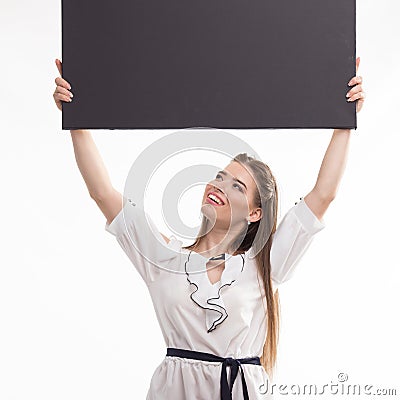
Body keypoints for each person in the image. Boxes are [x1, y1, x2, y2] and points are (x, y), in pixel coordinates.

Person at [53, 57, 365, 400]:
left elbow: (324, 194)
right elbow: (102, 192)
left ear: (255, 213)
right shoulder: (163, 257)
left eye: (237, 186)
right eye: (219, 176)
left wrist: (343, 118)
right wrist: (76, 116)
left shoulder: (266, 263)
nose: (219, 185)